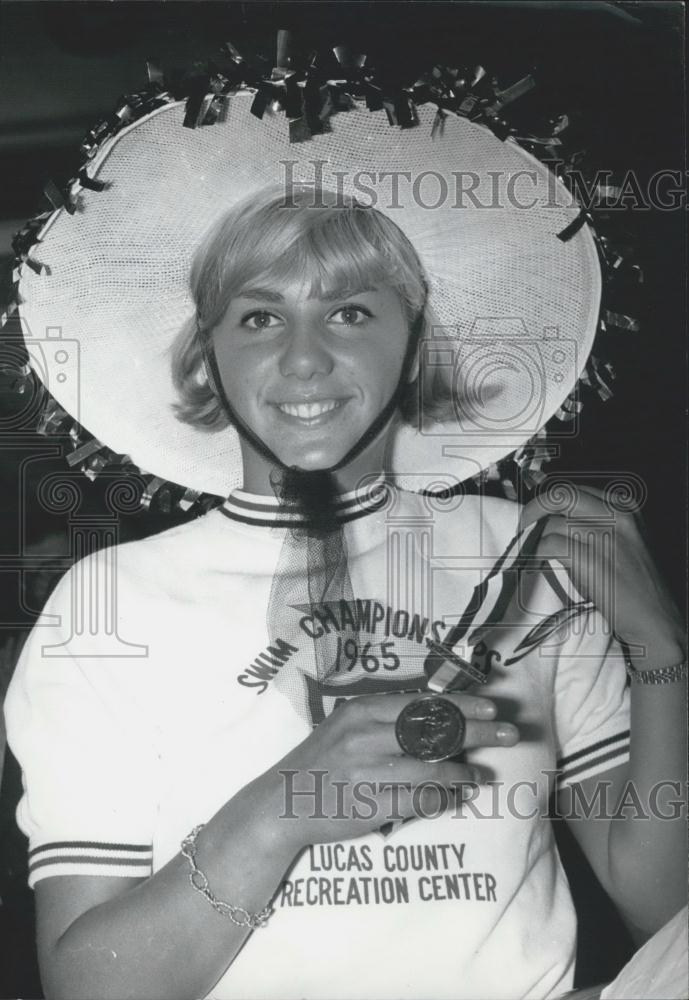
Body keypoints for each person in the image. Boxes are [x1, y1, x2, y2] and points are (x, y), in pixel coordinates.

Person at [3, 67, 687, 1000]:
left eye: (351, 311)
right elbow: (91, 987)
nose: (303, 357)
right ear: (208, 354)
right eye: (258, 316)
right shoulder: (110, 603)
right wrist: (285, 807)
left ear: (414, 341)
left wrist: (661, 649)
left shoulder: (525, 559)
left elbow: (664, 908)